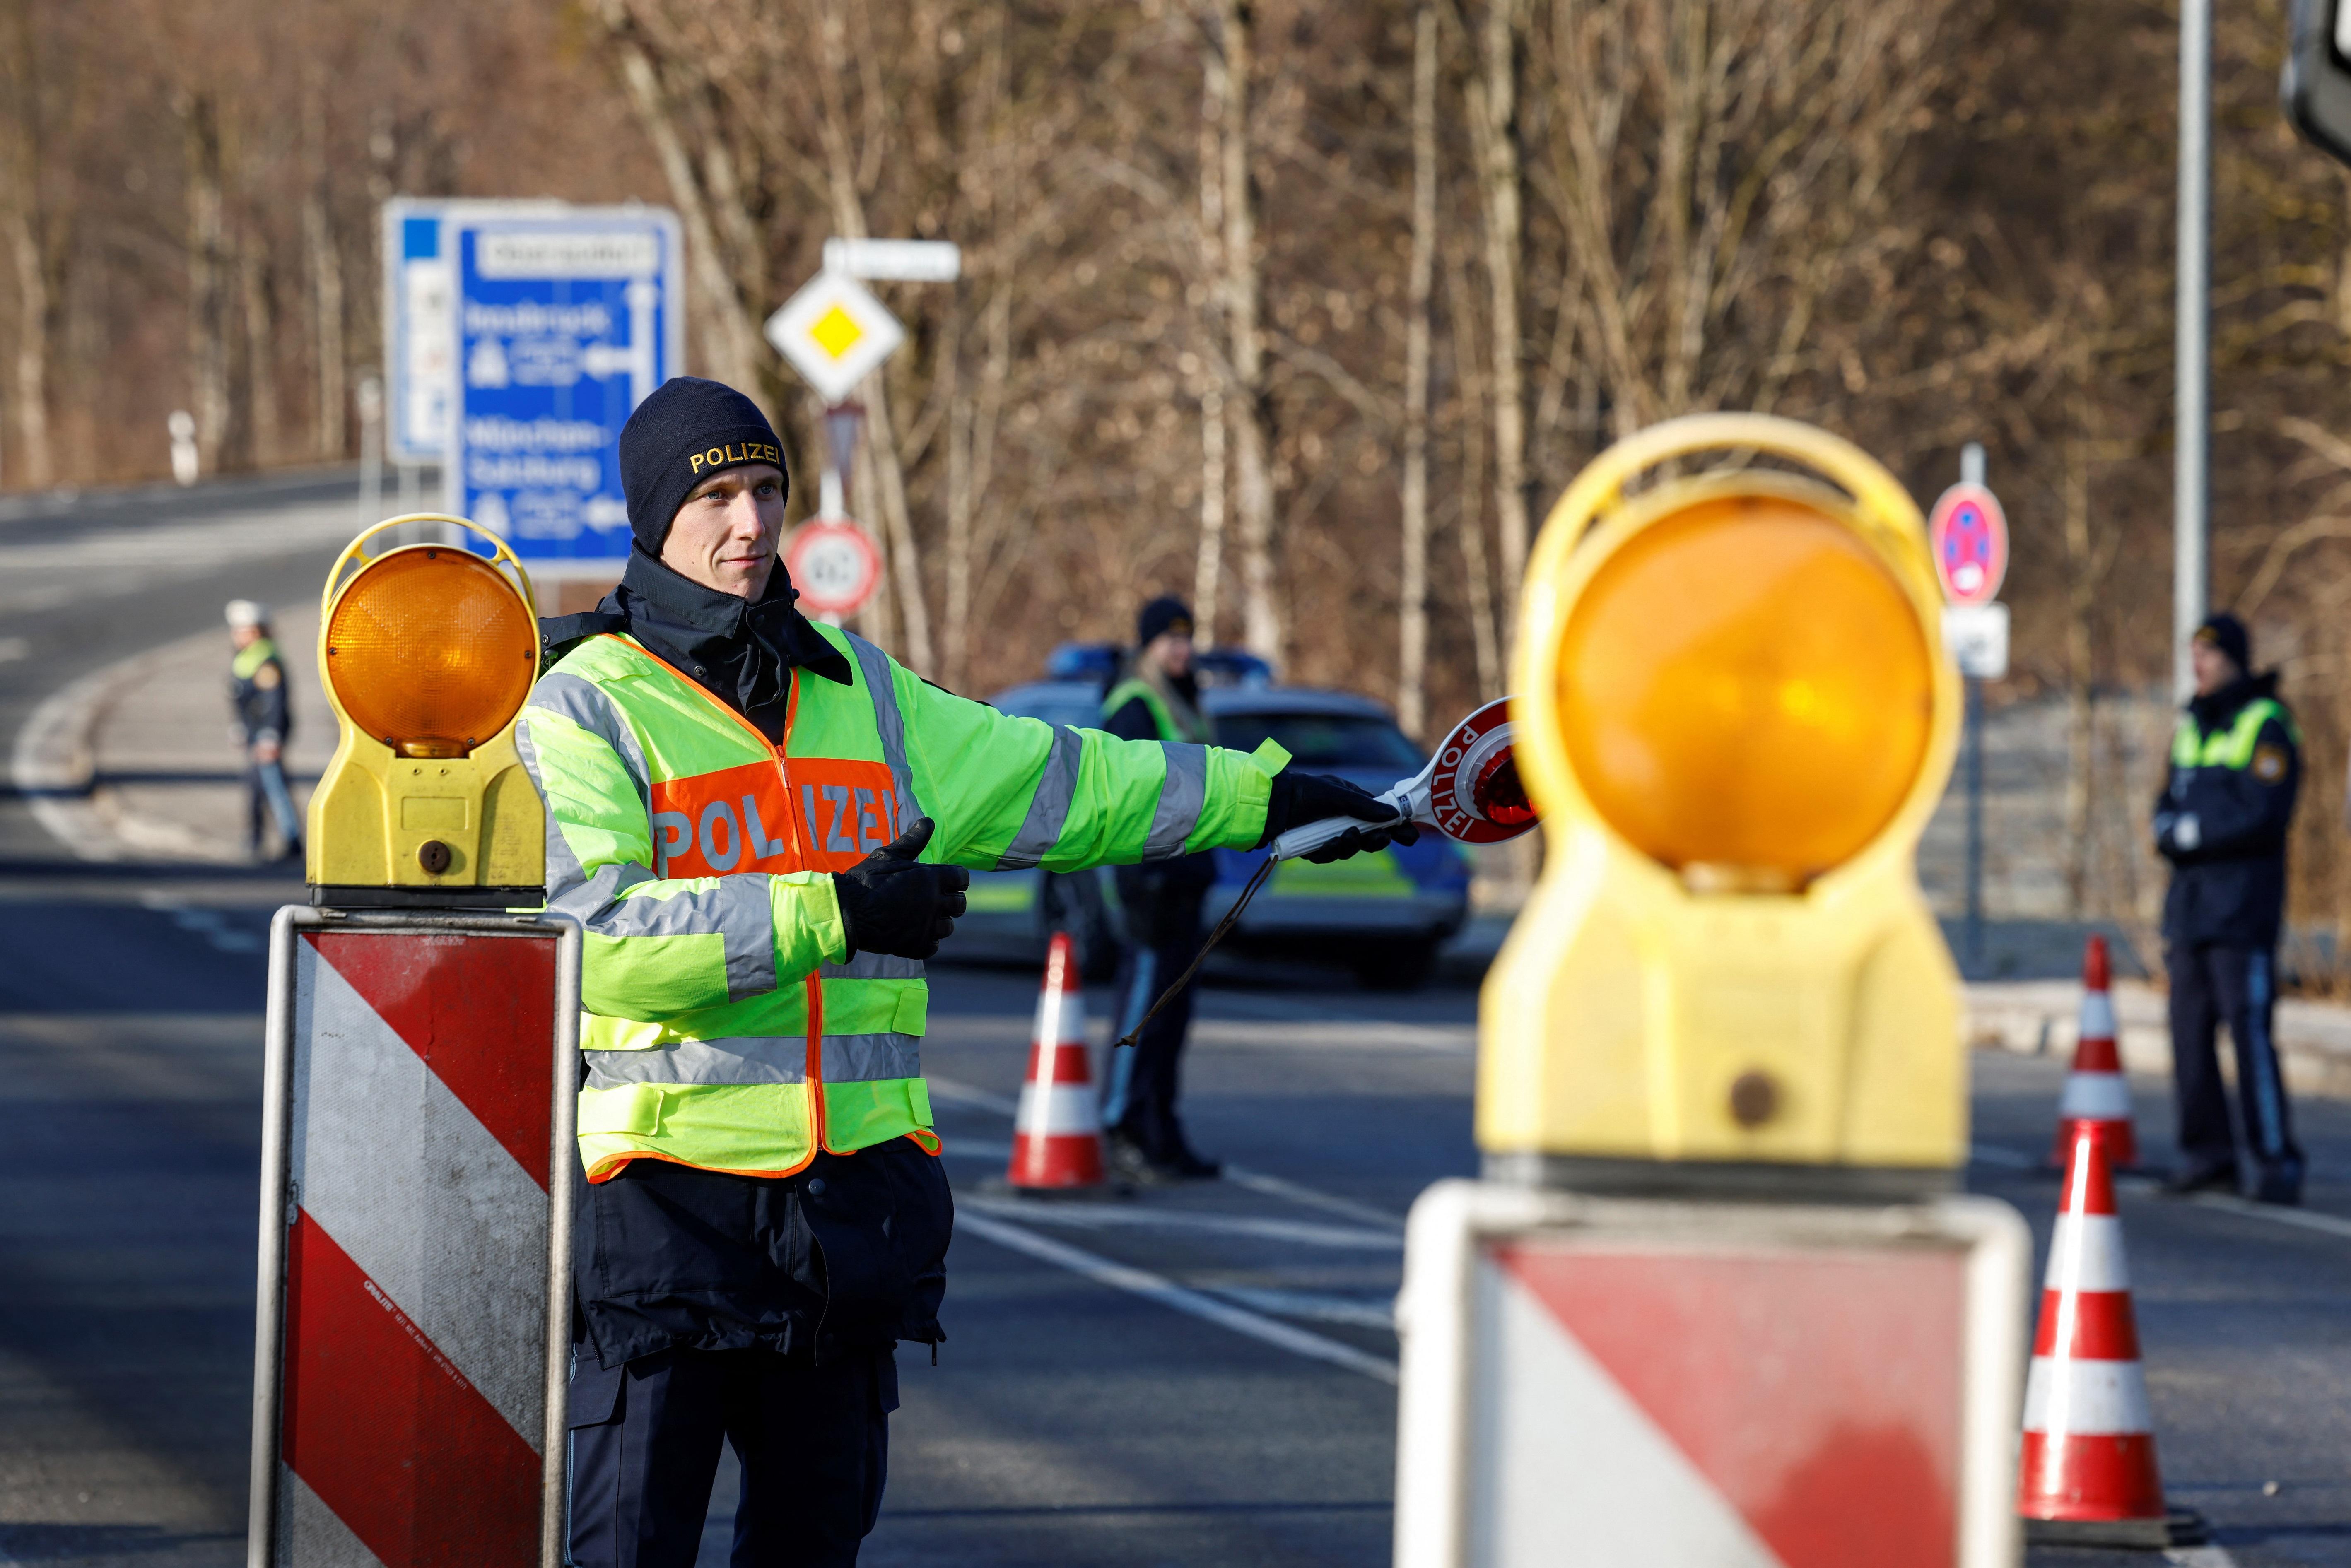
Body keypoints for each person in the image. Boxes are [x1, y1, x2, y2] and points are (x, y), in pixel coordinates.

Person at [518, 377, 1409, 1568]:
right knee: (628, 1552)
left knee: (812, 1550)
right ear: (652, 519)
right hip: (666, 1212)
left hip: (848, 1213)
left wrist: (1266, 796)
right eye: (715, 496)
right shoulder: (585, 706)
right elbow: (596, 940)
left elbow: (1071, 782)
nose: (751, 522)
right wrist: (836, 911)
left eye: (768, 489)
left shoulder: (862, 690)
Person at [2153, 612, 2305, 1205]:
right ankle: (2207, 1155)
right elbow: (2164, 804)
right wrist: (2170, 828)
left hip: (2242, 911)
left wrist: (2194, 832)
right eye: (2194, 653)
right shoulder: (2191, 726)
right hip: (2190, 910)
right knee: (2188, 1037)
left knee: (2249, 1036)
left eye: (2209, 654)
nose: (2199, 664)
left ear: (2235, 659)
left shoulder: (2265, 724)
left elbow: (2263, 811)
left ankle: (2273, 1160)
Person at [225, 600, 302, 863]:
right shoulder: (245, 658)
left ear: (258, 632)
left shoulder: (266, 661)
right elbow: (242, 700)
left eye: (245, 631)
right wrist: (239, 728)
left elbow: (274, 703)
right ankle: (255, 840)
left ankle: (291, 841)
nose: (239, 636)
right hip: (253, 734)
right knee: (256, 788)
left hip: (265, 737)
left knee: (274, 786)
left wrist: (270, 737)